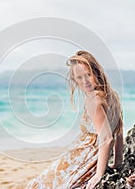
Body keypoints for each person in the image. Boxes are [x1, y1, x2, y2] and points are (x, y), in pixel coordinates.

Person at [26, 50, 124, 189]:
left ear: (96, 72)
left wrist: (99, 174)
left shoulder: (93, 100)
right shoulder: (111, 95)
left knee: (37, 185)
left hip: (86, 157)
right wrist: (118, 160)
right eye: (79, 77)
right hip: (89, 155)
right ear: (74, 80)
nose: (85, 81)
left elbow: (107, 138)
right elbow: (119, 130)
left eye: (88, 75)